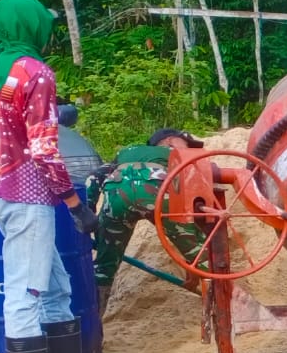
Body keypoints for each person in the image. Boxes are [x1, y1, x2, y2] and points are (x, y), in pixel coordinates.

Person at [0, 0, 111, 353]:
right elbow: (45, 149)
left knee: (55, 285)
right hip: (28, 194)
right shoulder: (37, 72)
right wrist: (74, 203)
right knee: (27, 290)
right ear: (32, 25)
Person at [89, 128, 211, 307]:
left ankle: (92, 325)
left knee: (103, 267)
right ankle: (231, 302)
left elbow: (95, 177)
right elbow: (195, 192)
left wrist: (87, 210)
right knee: (201, 254)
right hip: (156, 193)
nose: (188, 149)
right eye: (187, 144)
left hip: (116, 196)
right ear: (170, 141)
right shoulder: (175, 154)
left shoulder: (126, 152)